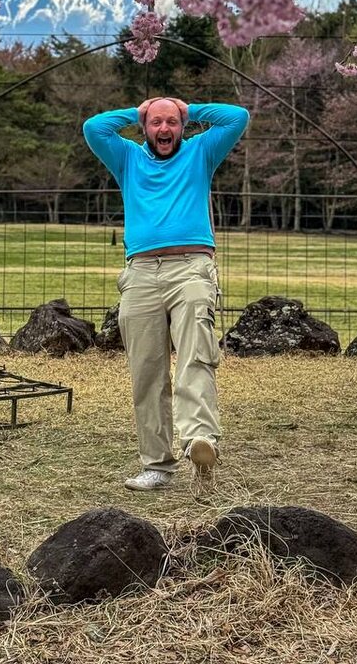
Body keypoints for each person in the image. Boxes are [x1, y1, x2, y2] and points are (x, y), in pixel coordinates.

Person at [83, 96, 250, 490]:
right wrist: (136, 112)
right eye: (156, 122)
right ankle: (157, 466)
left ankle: (200, 442)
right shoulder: (127, 158)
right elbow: (94, 128)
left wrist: (189, 109)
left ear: (182, 127)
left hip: (192, 267)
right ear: (145, 127)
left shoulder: (200, 152)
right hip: (140, 273)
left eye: (172, 122)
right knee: (146, 371)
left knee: (195, 355)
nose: (164, 129)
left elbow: (237, 117)